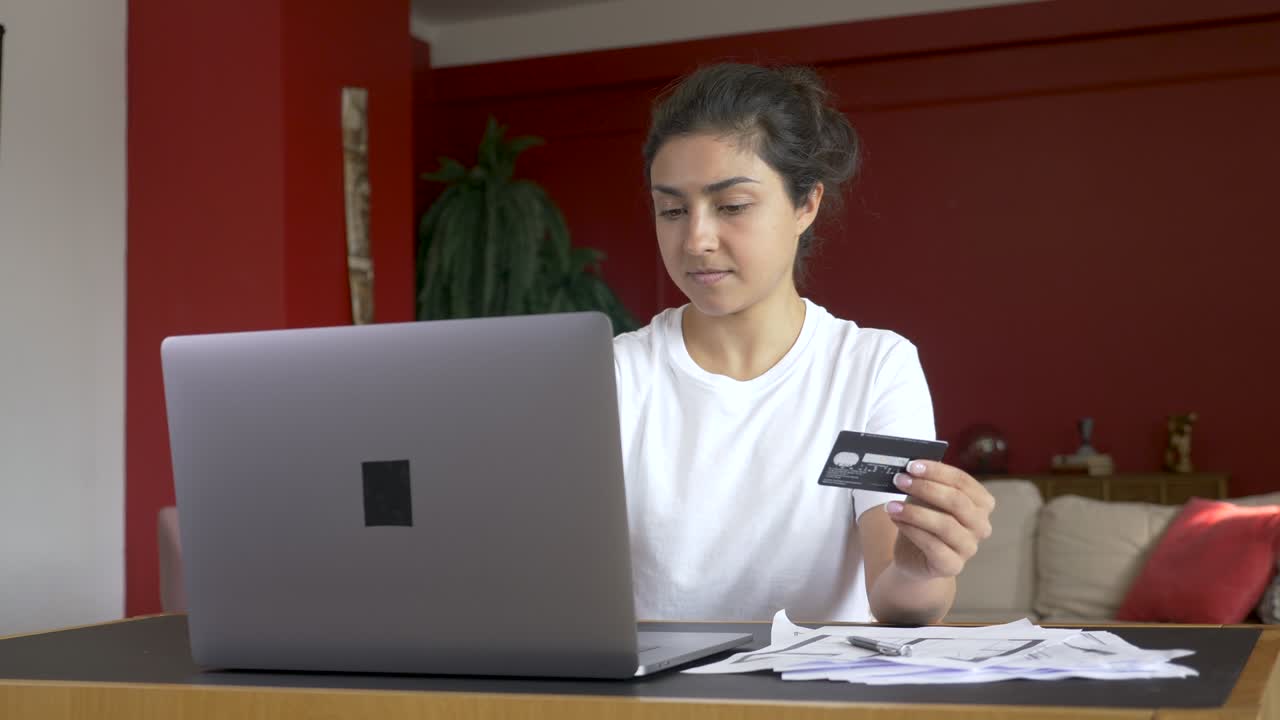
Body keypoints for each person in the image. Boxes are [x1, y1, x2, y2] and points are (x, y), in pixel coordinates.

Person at [612, 62, 995, 624]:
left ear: (805, 205)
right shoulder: (615, 373)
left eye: (732, 206)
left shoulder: (872, 367)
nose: (695, 238)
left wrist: (918, 570)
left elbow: (899, 604)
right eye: (671, 209)